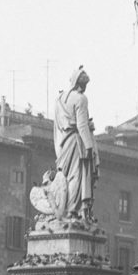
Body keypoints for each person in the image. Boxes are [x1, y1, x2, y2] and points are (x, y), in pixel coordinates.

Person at [53, 65, 99, 220]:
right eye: (85, 85)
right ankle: (72, 210)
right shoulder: (81, 99)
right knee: (76, 176)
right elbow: (82, 125)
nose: (85, 88)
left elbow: (57, 125)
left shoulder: (59, 99)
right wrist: (89, 146)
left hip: (64, 142)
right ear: (81, 84)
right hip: (77, 142)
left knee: (66, 176)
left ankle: (65, 208)